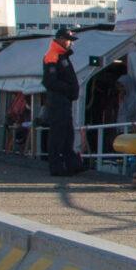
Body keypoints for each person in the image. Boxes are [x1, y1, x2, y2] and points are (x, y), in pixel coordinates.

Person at [41, 26, 83, 175]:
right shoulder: (53, 55)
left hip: (63, 101)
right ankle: (57, 166)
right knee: (58, 135)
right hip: (58, 101)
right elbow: (49, 81)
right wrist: (68, 89)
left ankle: (71, 164)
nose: (70, 43)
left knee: (67, 134)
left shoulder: (61, 56)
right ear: (60, 39)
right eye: (68, 40)